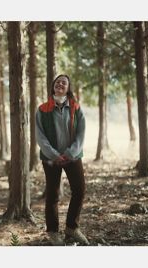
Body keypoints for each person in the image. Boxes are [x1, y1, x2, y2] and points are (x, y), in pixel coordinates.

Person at [35, 74, 89, 246]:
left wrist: (70, 153)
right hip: (51, 159)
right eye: (58, 82)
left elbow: (81, 134)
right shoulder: (42, 109)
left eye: (64, 83)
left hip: (72, 157)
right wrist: (53, 154)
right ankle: (52, 232)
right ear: (53, 86)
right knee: (52, 194)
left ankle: (72, 227)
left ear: (68, 88)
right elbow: (40, 136)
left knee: (79, 190)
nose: (60, 84)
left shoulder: (75, 107)